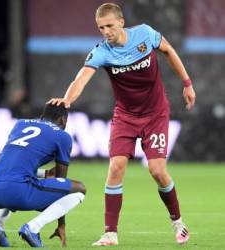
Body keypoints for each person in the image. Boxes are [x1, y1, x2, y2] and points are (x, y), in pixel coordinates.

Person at [48, 2, 196, 246]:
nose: (105, 31)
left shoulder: (145, 35)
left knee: (157, 171)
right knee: (116, 167)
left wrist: (187, 83)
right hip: (125, 116)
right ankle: (110, 234)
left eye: (109, 26)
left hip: (155, 113)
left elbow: (169, 51)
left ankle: (178, 223)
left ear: (121, 22)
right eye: (100, 27)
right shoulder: (102, 51)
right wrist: (67, 99)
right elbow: (81, 78)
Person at [0, 103, 86, 248]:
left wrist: (44, 173)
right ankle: (33, 228)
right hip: (15, 192)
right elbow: (62, 182)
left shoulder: (20, 124)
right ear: (63, 120)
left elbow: (14, 164)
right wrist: (61, 224)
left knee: (15, 178)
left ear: (42, 117)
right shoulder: (63, 136)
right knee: (79, 189)